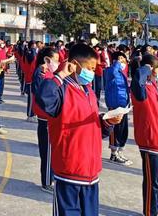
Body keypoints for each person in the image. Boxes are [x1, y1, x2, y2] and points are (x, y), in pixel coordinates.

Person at [34, 43, 122, 216]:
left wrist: (108, 122)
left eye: (94, 68)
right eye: (89, 68)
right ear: (74, 64)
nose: (92, 72)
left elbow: (93, 126)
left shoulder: (88, 90)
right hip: (69, 171)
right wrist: (60, 74)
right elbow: (43, 101)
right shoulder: (60, 88)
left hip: (90, 172)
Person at [131, 54, 158, 216]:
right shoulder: (140, 88)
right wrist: (145, 69)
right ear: (149, 70)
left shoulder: (152, 85)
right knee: (152, 181)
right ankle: (150, 212)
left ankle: (157, 209)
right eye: (156, 71)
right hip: (149, 140)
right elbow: (137, 85)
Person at [32, 47, 59, 192]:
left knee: (52, 150)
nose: (57, 62)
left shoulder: (49, 72)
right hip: (45, 117)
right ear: (46, 60)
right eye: (55, 60)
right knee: (47, 151)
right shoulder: (41, 73)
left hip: (51, 117)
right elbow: (42, 96)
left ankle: (52, 177)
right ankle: (47, 181)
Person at [104, 51, 133, 166]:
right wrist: (117, 62)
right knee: (114, 130)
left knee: (123, 130)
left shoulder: (121, 73)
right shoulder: (110, 70)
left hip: (123, 105)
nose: (124, 63)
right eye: (123, 60)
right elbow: (112, 73)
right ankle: (113, 154)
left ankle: (120, 152)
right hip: (114, 105)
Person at [24, 41, 38, 122]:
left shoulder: (31, 53)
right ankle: (30, 115)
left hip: (32, 78)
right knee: (31, 98)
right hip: (30, 78)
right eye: (34, 45)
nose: (35, 47)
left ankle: (33, 114)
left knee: (33, 98)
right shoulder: (30, 53)